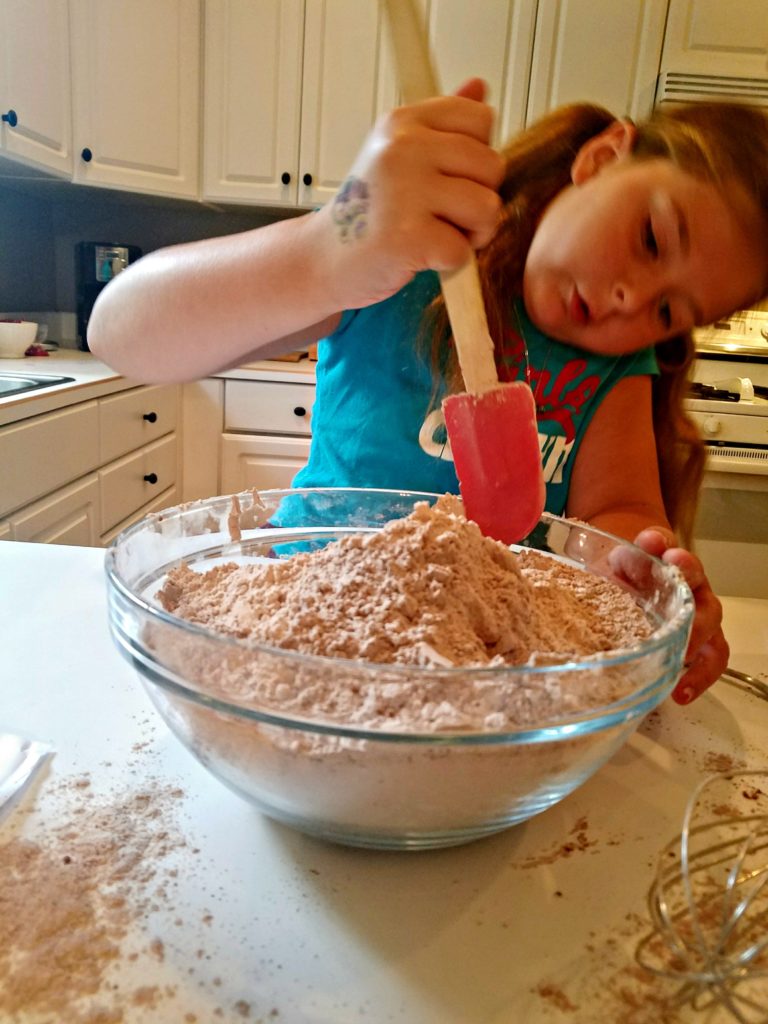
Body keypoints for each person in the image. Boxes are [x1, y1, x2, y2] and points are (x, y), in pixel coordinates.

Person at [88, 80, 768, 707]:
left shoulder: (618, 367)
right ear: (602, 157)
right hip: (301, 612)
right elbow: (122, 334)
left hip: (483, 662)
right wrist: (333, 247)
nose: (632, 299)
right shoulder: (395, 263)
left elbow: (616, 509)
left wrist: (638, 571)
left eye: (671, 311)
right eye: (651, 239)